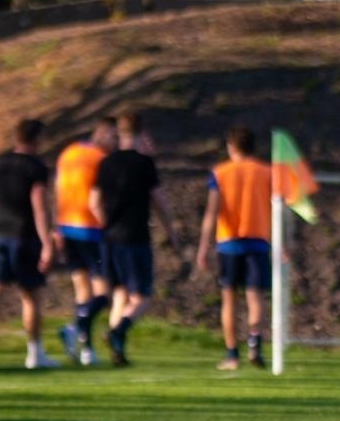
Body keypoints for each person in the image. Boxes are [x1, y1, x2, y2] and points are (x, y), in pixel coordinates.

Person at [90, 111, 180, 366]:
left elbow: (93, 202)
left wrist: (106, 222)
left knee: (119, 293)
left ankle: (117, 351)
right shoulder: (144, 164)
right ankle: (118, 331)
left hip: (110, 238)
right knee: (141, 296)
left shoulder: (105, 163)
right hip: (135, 236)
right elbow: (159, 201)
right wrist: (171, 230)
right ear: (142, 132)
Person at [0, 118, 57, 369]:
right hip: (24, 238)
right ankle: (34, 354)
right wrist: (47, 242)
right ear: (37, 140)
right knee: (30, 297)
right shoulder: (36, 168)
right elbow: (39, 207)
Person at [195, 126, 272, 371]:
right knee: (255, 297)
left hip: (229, 243)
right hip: (258, 239)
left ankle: (232, 354)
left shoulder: (221, 172)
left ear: (231, 146)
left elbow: (212, 212)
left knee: (229, 299)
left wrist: (203, 246)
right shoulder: (266, 172)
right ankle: (255, 344)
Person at [54, 117, 117, 366]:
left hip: (67, 227)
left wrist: (55, 225)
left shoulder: (68, 153)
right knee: (104, 292)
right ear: (102, 134)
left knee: (83, 291)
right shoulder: (101, 159)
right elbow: (98, 197)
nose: (116, 142)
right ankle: (74, 329)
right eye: (113, 137)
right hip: (91, 228)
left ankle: (86, 349)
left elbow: (58, 188)